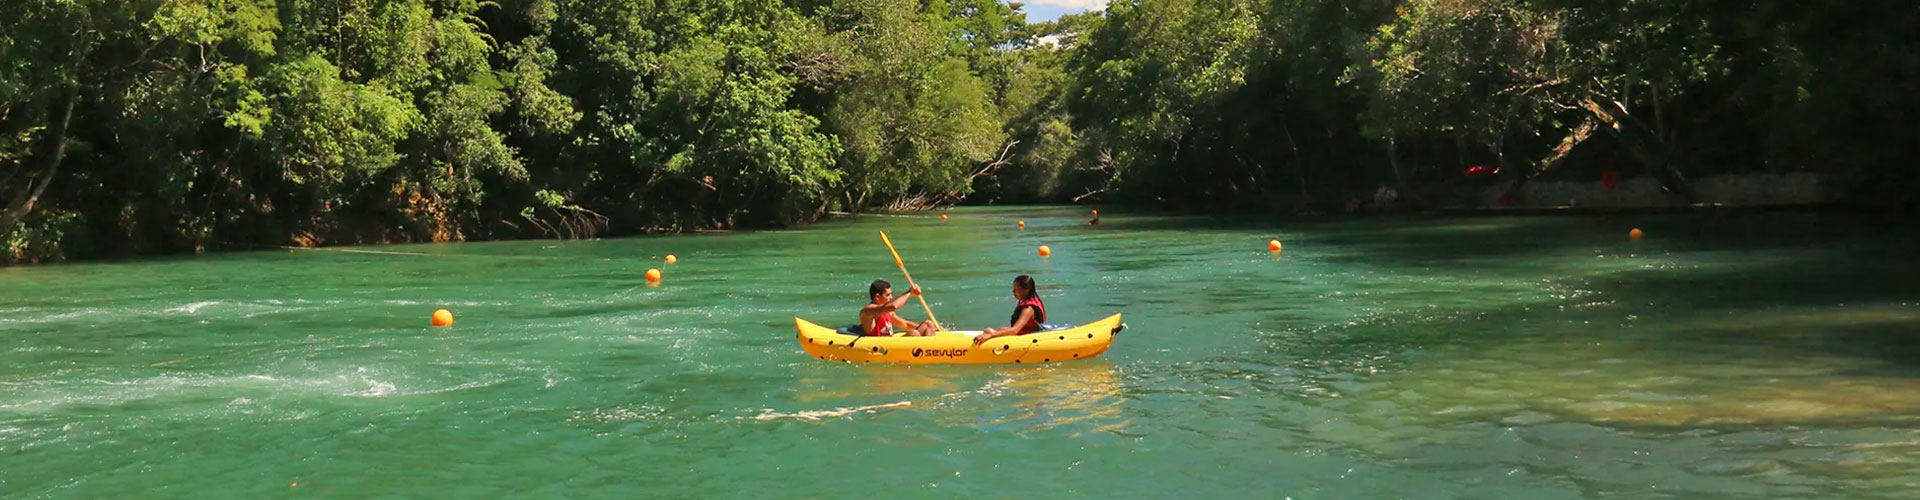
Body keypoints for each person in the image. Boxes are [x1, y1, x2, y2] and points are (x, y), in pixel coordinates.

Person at [973, 275, 1046, 345]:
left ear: (1026, 290)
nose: (1013, 291)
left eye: (1016, 289)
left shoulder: (1028, 309)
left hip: (1028, 339)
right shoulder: (1031, 300)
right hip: (1029, 334)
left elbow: (1015, 330)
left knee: (989, 331)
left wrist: (991, 334)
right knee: (999, 329)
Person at [859, 280, 939, 337]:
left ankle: (930, 353)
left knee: (928, 324)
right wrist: (909, 293)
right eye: (888, 295)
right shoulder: (868, 311)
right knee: (914, 333)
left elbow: (905, 324)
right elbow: (894, 306)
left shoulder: (888, 313)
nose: (891, 297)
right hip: (881, 347)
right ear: (877, 297)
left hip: (890, 344)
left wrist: (934, 329)